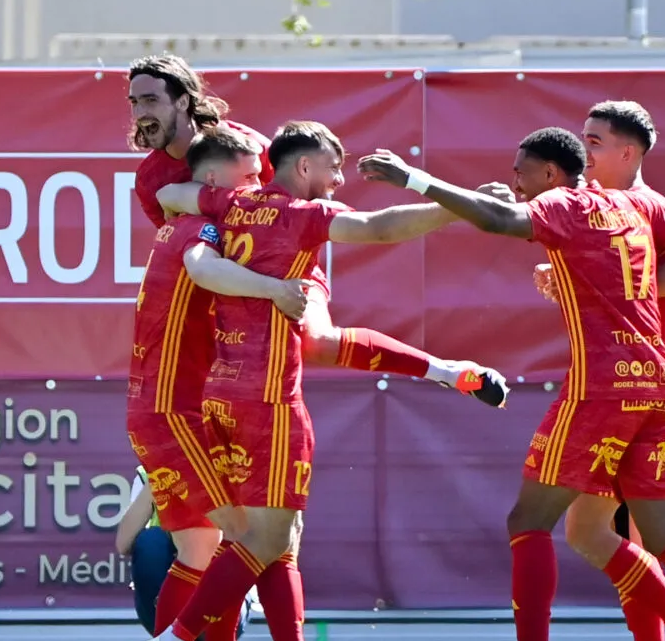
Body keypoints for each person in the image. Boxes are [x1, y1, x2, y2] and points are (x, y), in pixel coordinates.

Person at [359, 127, 665, 641]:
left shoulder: (564, 203)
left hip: (601, 388)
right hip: (657, 384)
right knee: (659, 533)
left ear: (552, 175)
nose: (515, 181)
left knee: (527, 522)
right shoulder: (635, 205)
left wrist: (416, 179)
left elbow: (499, 222)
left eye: (522, 171)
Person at [133, 121, 497, 641]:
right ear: (303, 168)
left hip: (221, 392)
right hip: (270, 396)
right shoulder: (303, 218)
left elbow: (174, 196)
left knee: (273, 537)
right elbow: (380, 228)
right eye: (333, 166)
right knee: (264, 536)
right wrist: (456, 207)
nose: (338, 179)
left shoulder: (230, 203)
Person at [127, 54, 506, 400]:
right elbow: (184, 238)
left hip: (283, 268)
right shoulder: (153, 182)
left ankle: (449, 372)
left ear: (182, 100)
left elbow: (297, 212)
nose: (140, 112)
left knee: (318, 343)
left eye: (150, 99)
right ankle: (168, 464)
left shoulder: (247, 146)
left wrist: (459, 206)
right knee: (202, 357)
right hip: (224, 277)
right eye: (134, 103)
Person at [531, 101, 665, 641]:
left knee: (635, 531)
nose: (583, 150)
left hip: (646, 386)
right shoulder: (595, 209)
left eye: (594, 140)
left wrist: (587, 277)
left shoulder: (647, 208)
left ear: (627, 152)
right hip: (619, 385)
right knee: (619, 535)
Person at [127, 127, 314, 641]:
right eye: (250, 174)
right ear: (212, 179)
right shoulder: (202, 226)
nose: (259, 185)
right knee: (245, 537)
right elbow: (204, 268)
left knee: (210, 544)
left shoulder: (190, 215)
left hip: (172, 404)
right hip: (172, 407)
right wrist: (276, 289)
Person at [114, 467, 257, 641]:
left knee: (220, 545)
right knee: (151, 543)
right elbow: (123, 543)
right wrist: (157, 482)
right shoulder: (151, 471)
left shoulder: (232, 461)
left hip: (225, 607)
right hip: (164, 598)